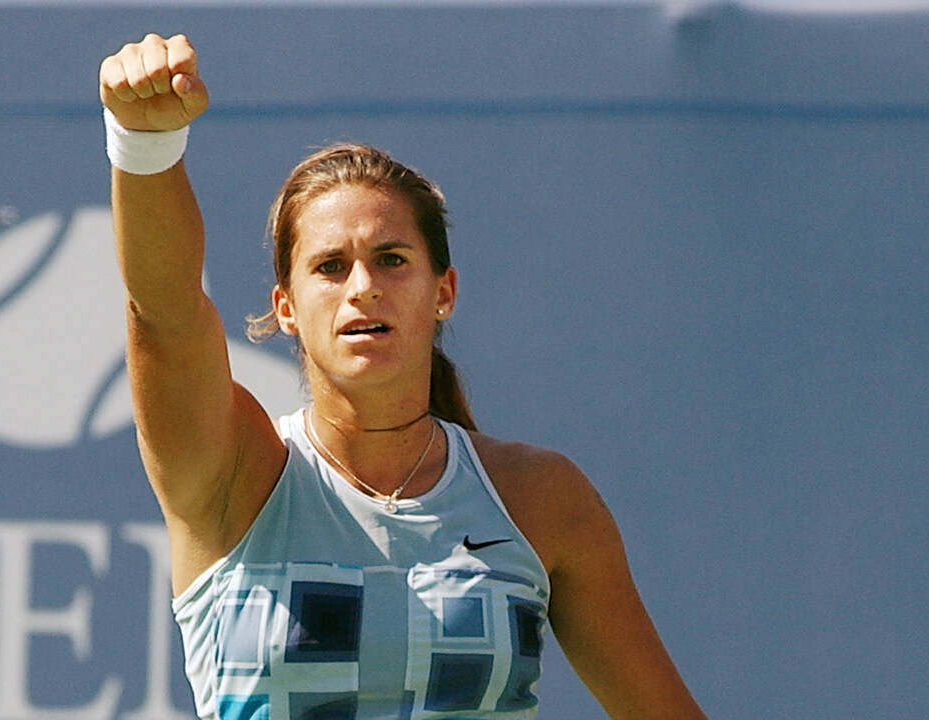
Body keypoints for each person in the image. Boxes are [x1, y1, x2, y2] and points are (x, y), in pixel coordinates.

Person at [100, 32, 707, 720]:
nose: (362, 287)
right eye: (330, 267)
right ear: (287, 309)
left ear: (443, 291)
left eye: (391, 260)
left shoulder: (543, 499)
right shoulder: (232, 471)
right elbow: (164, 310)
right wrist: (143, 147)